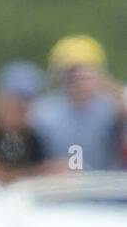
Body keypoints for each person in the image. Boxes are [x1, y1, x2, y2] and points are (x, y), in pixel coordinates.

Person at [30, 35, 125, 172]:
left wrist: (104, 84)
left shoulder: (110, 106)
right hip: (57, 188)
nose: (77, 80)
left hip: (106, 187)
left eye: (83, 74)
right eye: (70, 74)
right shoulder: (43, 111)